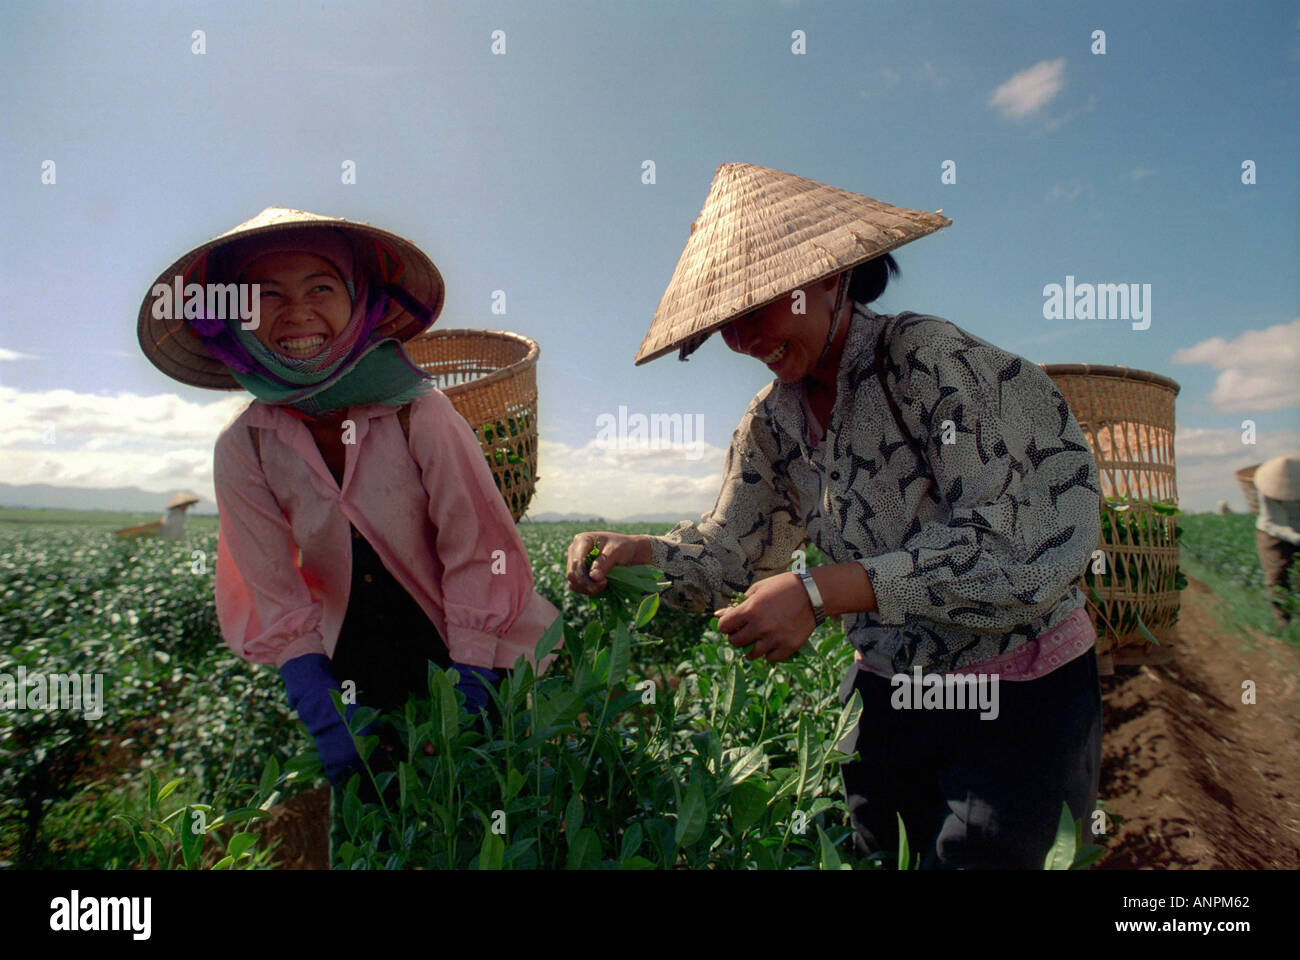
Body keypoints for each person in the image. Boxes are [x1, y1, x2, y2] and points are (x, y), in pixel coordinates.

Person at [566, 163, 1103, 869]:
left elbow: (1020, 548)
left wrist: (821, 591)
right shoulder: (773, 425)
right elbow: (732, 553)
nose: (746, 339)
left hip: (1014, 694)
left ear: (828, 276)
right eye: (727, 324)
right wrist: (645, 554)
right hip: (887, 694)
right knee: (881, 855)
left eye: (758, 307)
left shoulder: (928, 363)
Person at [137, 207, 561, 863]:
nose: (296, 311)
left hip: (479, 654)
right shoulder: (246, 446)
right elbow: (274, 589)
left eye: (320, 288)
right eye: (265, 295)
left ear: (358, 300)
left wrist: (471, 684)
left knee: (491, 835)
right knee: (378, 843)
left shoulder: (420, 409)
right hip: (359, 678)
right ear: (233, 317)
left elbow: (481, 553)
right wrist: (315, 694)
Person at [1252, 454, 1300, 628]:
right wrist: (1296, 538)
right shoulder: (1267, 490)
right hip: (1272, 532)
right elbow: (1274, 523)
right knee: (1276, 576)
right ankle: (1283, 622)